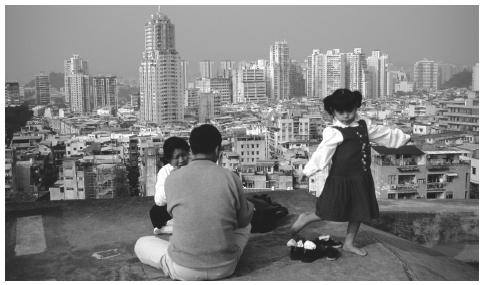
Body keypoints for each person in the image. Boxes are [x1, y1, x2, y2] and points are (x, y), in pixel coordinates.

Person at [290, 89, 411, 257]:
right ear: (333, 112)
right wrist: (308, 170)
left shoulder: (363, 125)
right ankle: (306, 218)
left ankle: (349, 243)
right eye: (341, 112)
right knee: (328, 210)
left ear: (356, 108)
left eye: (350, 111)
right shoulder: (333, 131)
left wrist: (404, 138)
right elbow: (322, 153)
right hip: (340, 179)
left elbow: (383, 133)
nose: (346, 116)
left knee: (358, 211)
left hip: (361, 178)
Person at [134, 124, 254, 280]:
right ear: (217, 150)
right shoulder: (231, 178)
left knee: (141, 244)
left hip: (183, 269)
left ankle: (176, 259)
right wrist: (249, 208)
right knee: (246, 226)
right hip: (225, 267)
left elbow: (177, 215)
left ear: (192, 149)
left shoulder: (172, 179)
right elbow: (243, 221)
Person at [150, 136, 190, 235]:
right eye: (176, 157)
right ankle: (178, 227)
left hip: (192, 206)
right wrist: (172, 180)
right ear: (169, 159)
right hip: (175, 208)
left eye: (183, 155)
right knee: (155, 212)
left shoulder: (194, 167)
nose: (181, 160)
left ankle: (167, 228)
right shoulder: (165, 171)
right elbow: (159, 201)